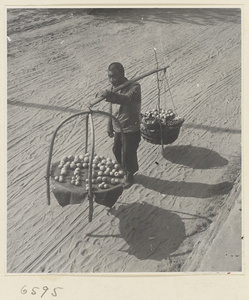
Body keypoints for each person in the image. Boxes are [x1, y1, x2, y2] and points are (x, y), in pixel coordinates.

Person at [99, 62, 141, 188]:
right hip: (118, 126)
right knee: (116, 150)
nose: (111, 80)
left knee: (128, 152)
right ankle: (123, 169)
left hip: (131, 127)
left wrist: (111, 95)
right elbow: (111, 109)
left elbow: (126, 99)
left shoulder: (135, 87)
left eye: (114, 77)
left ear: (122, 75)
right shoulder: (114, 89)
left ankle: (130, 174)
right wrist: (109, 126)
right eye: (109, 77)